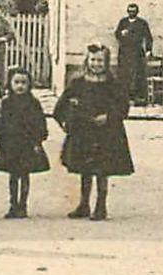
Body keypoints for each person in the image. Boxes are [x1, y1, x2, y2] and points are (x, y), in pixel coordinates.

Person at [53, 44, 135, 221]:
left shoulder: (113, 84)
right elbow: (60, 107)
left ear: (106, 63)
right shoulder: (77, 83)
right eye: (93, 60)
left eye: (100, 60)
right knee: (85, 169)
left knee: (102, 170)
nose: (96, 64)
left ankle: (101, 206)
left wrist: (109, 116)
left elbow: (123, 107)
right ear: (87, 61)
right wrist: (67, 123)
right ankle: (83, 204)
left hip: (106, 134)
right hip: (84, 133)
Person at [0, 67, 50, 218]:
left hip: (27, 144)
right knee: (13, 176)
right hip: (11, 144)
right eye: (16, 82)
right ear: (10, 84)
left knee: (25, 175)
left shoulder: (33, 103)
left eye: (24, 83)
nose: (20, 86)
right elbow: (1, 122)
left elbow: (40, 123)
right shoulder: (6, 103)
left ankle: (23, 204)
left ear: (29, 84)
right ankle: (13, 204)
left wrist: (38, 140)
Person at [113, 3, 155, 105]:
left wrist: (148, 50)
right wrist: (121, 34)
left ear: (137, 12)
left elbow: (148, 37)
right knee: (124, 74)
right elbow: (117, 34)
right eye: (130, 11)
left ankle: (139, 97)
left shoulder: (142, 23)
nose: (132, 13)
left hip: (137, 52)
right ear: (127, 12)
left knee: (138, 74)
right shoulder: (123, 22)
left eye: (134, 11)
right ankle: (124, 97)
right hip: (124, 52)